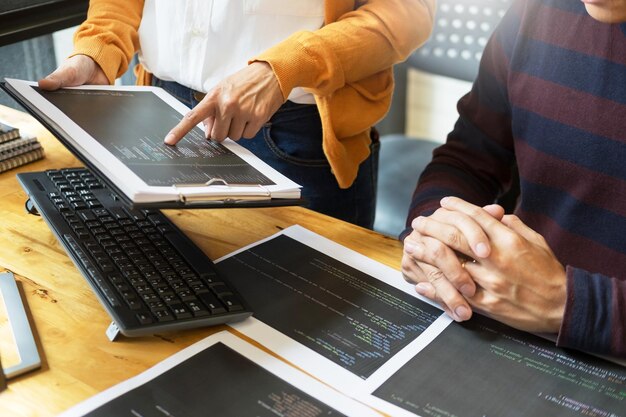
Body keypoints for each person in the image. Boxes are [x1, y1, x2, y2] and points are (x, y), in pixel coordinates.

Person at [38, 0, 435, 229]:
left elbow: (406, 11)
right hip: (161, 110)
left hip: (292, 133)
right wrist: (97, 50)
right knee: (166, 302)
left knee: (308, 325)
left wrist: (283, 68)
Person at [401, 0, 626, 358]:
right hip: (508, 327)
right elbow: (469, 157)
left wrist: (567, 304)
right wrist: (433, 236)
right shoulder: (534, 11)